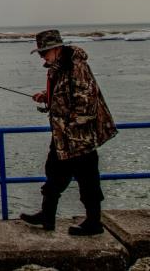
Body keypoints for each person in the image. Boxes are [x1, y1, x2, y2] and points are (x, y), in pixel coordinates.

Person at [20, 29, 117, 236]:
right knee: (53, 175)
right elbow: (65, 93)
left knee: (88, 180)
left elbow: (86, 102)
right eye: (40, 53)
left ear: (56, 48)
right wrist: (46, 96)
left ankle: (94, 223)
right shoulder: (58, 68)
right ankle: (47, 217)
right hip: (62, 137)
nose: (42, 56)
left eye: (44, 52)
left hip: (79, 138)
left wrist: (71, 126)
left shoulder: (76, 67)